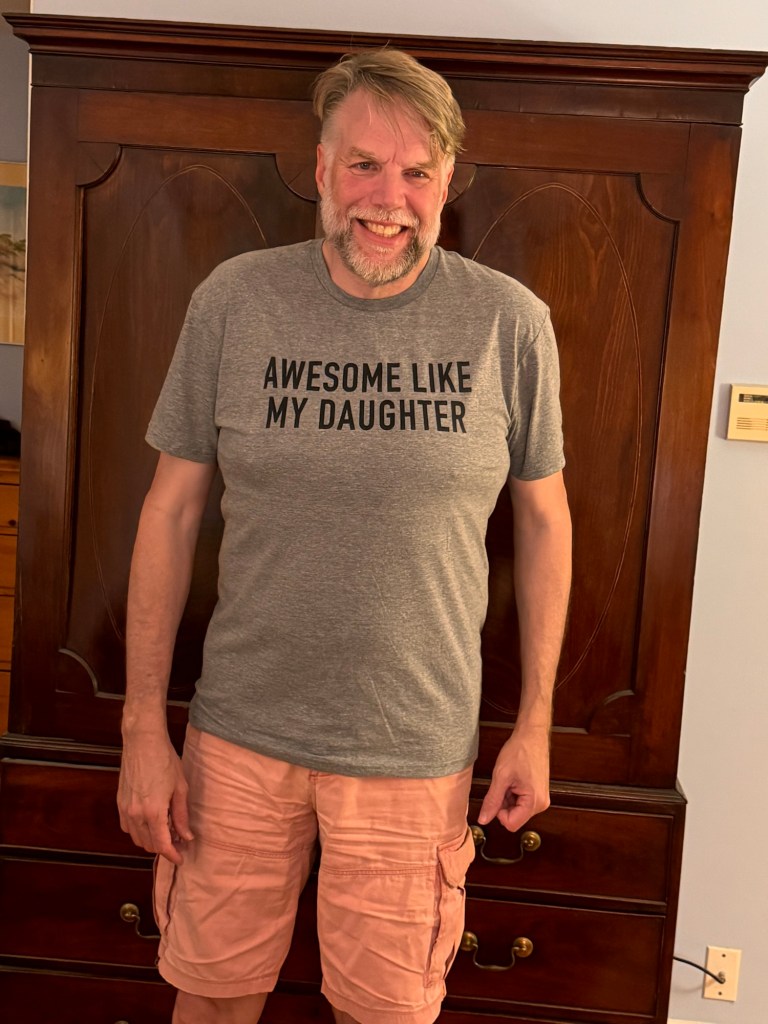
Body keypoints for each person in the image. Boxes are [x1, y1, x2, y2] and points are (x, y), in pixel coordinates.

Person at [117, 47, 572, 1024]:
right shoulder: (234, 302)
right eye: (363, 164)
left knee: (386, 1013)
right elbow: (169, 512)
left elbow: (544, 523)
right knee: (210, 1001)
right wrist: (141, 727)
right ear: (321, 168)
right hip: (238, 741)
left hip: (414, 752)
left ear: (447, 181)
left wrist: (535, 724)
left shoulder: (508, 324)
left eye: (416, 172)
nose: (387, 198)